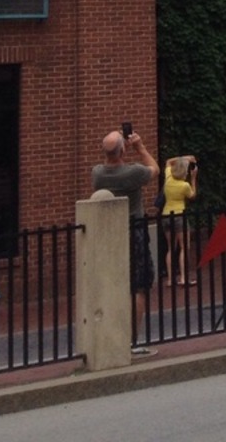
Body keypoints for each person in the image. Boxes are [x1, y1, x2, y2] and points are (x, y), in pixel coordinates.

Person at [91, 127, 159, 338]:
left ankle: (113, 335)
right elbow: (154, 169)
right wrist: (140, 147)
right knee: (138, 286)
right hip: (134, 231)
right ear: (122, 152)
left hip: (109, 234)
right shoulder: (133, 173)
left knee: (114, 283)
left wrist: (116, 142)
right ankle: (132, 339)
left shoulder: (97, 174)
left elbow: (109, 160)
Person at [162, 154, 197, 285]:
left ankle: (170, 279)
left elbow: (168, 161)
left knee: (171, 248)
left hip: (166, 214)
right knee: (184, 247)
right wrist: (194, 179)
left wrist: (185, 158)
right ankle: (183, 278)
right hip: (179, 215)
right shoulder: (184, 185)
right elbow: (192, 196)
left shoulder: (168, 178)